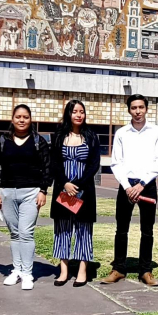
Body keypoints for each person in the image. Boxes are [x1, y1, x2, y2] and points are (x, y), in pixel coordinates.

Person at [101, 94, 158, 287]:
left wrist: (142, 184)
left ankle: (145, 270)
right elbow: (116, 162)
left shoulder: (156, 132)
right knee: (121, 230)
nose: (137, 111)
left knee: (147, 230)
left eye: (141, 107)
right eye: (133, 108)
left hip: (147, 185)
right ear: (129, 110)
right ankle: (119, 269)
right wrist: (128, 187)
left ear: (147, 109)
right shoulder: (122, 133)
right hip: (126, 187)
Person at [0, 104, 51, 290]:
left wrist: (43, 190)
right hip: (7, 192)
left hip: (31, 192)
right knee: (14, 233)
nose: (21, 120)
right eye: (18, 117)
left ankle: (27, 273)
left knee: (26, 232)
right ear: (12, 119)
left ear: (30, 120)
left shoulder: (39, 141)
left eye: (25, 117)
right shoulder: (2, 141)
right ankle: (16, 270)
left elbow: (47, 168)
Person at [50, 100, 101, 287]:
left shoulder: (91, 136)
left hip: (84, 190)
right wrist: (65, 183)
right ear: (68, 114)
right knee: (62, 229)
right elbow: (54, 162)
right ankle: (63, 271)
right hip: (63, 190)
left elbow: (94, 164)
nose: (79, 115)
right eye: (75, 112)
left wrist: (77, 185)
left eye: (82, 112)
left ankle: (82, 270)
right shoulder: (58, 136)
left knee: (83, 230)